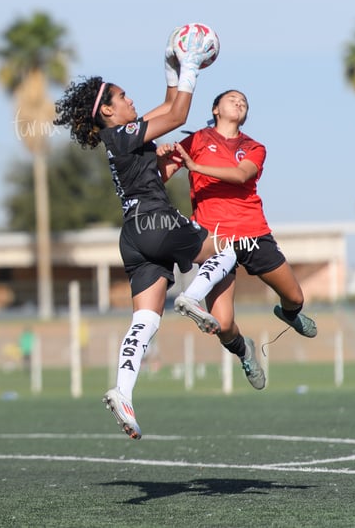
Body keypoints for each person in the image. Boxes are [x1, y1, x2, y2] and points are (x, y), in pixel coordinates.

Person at [54, 27, 245, 440]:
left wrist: (170, 67)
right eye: (122, 97)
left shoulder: (121, 136)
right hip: (156, 222)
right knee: (231, 244)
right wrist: (190, 66)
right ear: (107, 111)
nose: (130, 100)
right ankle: (192, 296)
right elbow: (176, 116)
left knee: (144, 320)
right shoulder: (120, 135)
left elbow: (166, 107)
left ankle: (123, 391)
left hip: (133, 236)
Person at [158, 88, 317, 382]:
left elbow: (242, 174)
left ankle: (290, 314)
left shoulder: (255, 146)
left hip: (252, 232)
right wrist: (160, 155)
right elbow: (162, 174)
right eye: (232, 98)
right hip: (214, 239)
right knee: (222, 322)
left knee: (295, 297)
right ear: (216, 108)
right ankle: (244, 351)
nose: (240, 102)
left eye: (244, 101)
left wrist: (195, 166)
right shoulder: (196, 140)